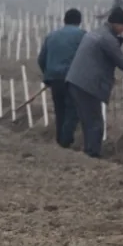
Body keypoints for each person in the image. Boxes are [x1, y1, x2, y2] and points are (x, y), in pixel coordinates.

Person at [64, 7, 123, 158]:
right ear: (117, 24)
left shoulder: (96, 32)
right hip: (87, 85)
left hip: (76, 81)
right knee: (95, 123)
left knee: (87, 121)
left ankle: (88, 151)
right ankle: (92, 155)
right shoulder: (108, 39)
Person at [37, 8, 86, 149]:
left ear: (64, 20)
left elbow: (41, 59)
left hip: (54, 79)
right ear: (79, 21)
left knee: (60, 110)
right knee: (73, 109)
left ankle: (60, 140)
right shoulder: (83, 36)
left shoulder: (51, 36)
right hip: (73, 78)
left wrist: (48, 75)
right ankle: (65, 141)